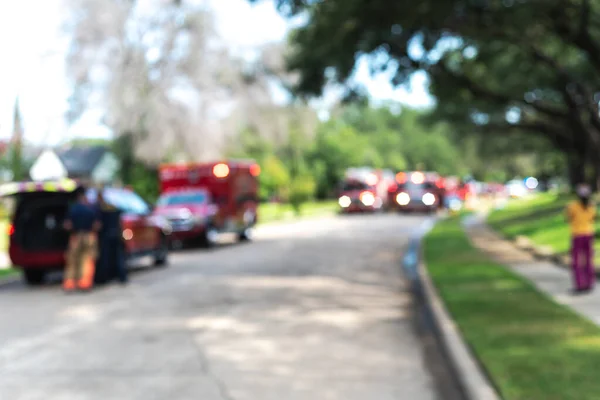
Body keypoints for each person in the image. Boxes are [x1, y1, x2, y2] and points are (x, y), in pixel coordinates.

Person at [63, 186, 101, 292]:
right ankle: (85, 284)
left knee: (72, 261)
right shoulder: (92, 209)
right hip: (89, 237)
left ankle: (70, 284)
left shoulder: (72, 209)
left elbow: (67, 225)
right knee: (87, 261)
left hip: (75, 237)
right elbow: (97, 225)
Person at [566, 183, 596, 293]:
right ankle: (589, 282)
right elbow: (592, 219)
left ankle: (580, 284)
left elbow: (568, 219)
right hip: (588, 234)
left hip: (577, 235)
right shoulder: (591, 206)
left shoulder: (572, 206)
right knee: (588, 260)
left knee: (577, 261)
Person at [96, 189, 127, 285]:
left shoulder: (101, 209)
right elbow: (120, 222)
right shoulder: (115, 208)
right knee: (119, 257)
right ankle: (122, 277)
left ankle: (104, 278)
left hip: (106, 236)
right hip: (116, 234)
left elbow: (98, 225)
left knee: (105, 258)